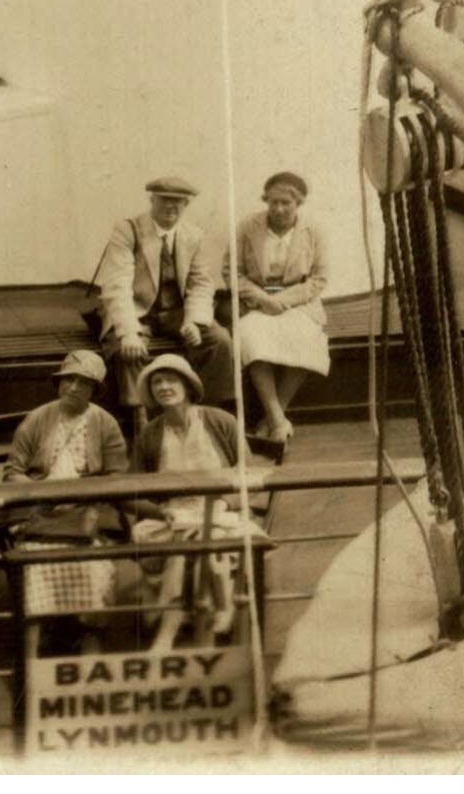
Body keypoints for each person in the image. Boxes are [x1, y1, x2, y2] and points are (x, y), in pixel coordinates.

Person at [0, 351, 129, 650]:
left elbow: (117, 477)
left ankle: (90, 648)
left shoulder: (105, 424)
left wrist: (84, 496)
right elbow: (13, 471)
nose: (73, 388)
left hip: (87, 508)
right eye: (68, 380)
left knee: (96, 565)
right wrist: (42, 493)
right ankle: (32, 655)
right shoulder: (38, 418)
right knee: (34, 559)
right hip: (41, 507)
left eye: (84, 383)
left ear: (95, 390)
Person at [129, 354, 263, 647]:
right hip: (173, 516)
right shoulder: (150, 434)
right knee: (189, 540)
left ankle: (171, 626)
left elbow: (251, 477)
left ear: (188, 385)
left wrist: (225, 504)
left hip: (221, 512)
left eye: (171, 380)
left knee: (197, 541)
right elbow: (131, 491)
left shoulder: (220, 421)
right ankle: (215, 617)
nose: (164, 387)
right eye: (157, 382)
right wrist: (161, 512)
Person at [96, 176, 235, 413]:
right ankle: (141, 422)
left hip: (176, 314)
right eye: (164, 200)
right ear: (152, 200)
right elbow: (117, 285)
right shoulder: (129, 230)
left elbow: (201, 283)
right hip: (136, 311)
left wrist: (193, 320)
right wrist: (129, 332)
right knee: (128, 350)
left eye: (178, 201)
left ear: (186, 204)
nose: (171, 206)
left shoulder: (194, 235)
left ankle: (206, 413)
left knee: (218, 341)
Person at [225, 171, 330, 447]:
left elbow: (319, 278)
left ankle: (272, 418)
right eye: (273, 202)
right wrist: (262, 299)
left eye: (286, 203)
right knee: (251, 338)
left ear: (299, 204)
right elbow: (232, 272)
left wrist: (282, 301)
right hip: (257, 301)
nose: (279, 209)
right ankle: (277, 418)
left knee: (306, 340)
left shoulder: (313, 230)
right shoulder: (248, 226)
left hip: (299, 302)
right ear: (266, 201)